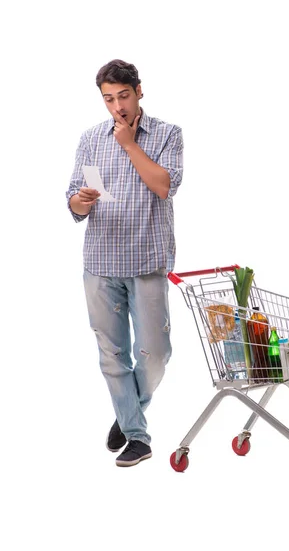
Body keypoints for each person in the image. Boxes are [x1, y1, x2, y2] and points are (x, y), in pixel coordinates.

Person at [66, 59, 183, 467]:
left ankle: (126, 410)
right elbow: (74, 200)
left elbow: (164, 186)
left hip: (147, 260)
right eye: (108, 99)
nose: (117, 106)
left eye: (124, 96)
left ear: (139, 92)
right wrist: (79, 201)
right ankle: (137, 434)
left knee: (156, 354)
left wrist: (130, 144)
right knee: (111, 355)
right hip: (99, 261)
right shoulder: (90, 139)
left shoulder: (167, 134)